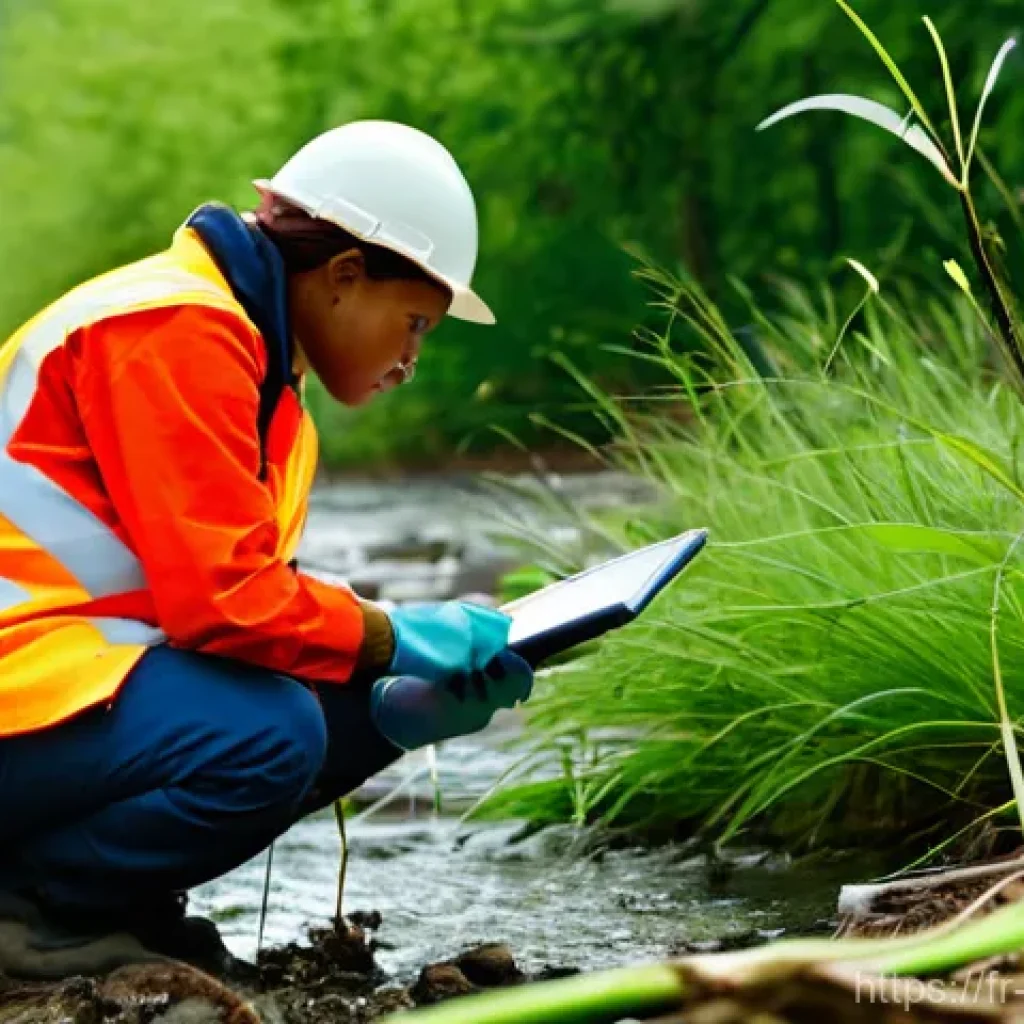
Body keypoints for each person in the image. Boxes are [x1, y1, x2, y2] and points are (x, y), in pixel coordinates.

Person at [0, 120, 534, 981]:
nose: (412, 360)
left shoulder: (265, 380)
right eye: (414, 324)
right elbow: (223, 604)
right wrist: (392, 633)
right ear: (345, 275)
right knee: (272, 731)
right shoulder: (173, 328)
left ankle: (113, 907)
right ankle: (33, 913)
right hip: (20, 695)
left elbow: (255, 614)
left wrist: (391, 708)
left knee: (330, 703)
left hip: (46, 700)